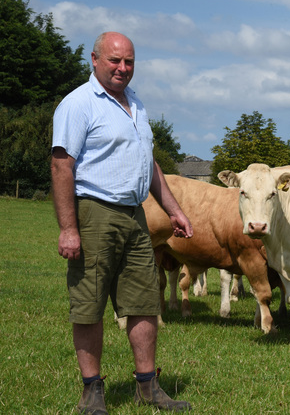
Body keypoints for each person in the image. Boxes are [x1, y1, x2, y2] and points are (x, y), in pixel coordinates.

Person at [51, 31, 193, 414]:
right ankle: (91, 390)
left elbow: (149, 164)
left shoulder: (137, 105)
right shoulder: (78, 104)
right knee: (90, 303)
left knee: (144, 302)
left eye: (129, 61)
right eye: (114, 60)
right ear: (94, 60)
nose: (122, 68)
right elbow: (62, 165)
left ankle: (147, 387)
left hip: (135, 215)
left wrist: (173, 210)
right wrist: (69, 228)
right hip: (94, 212)